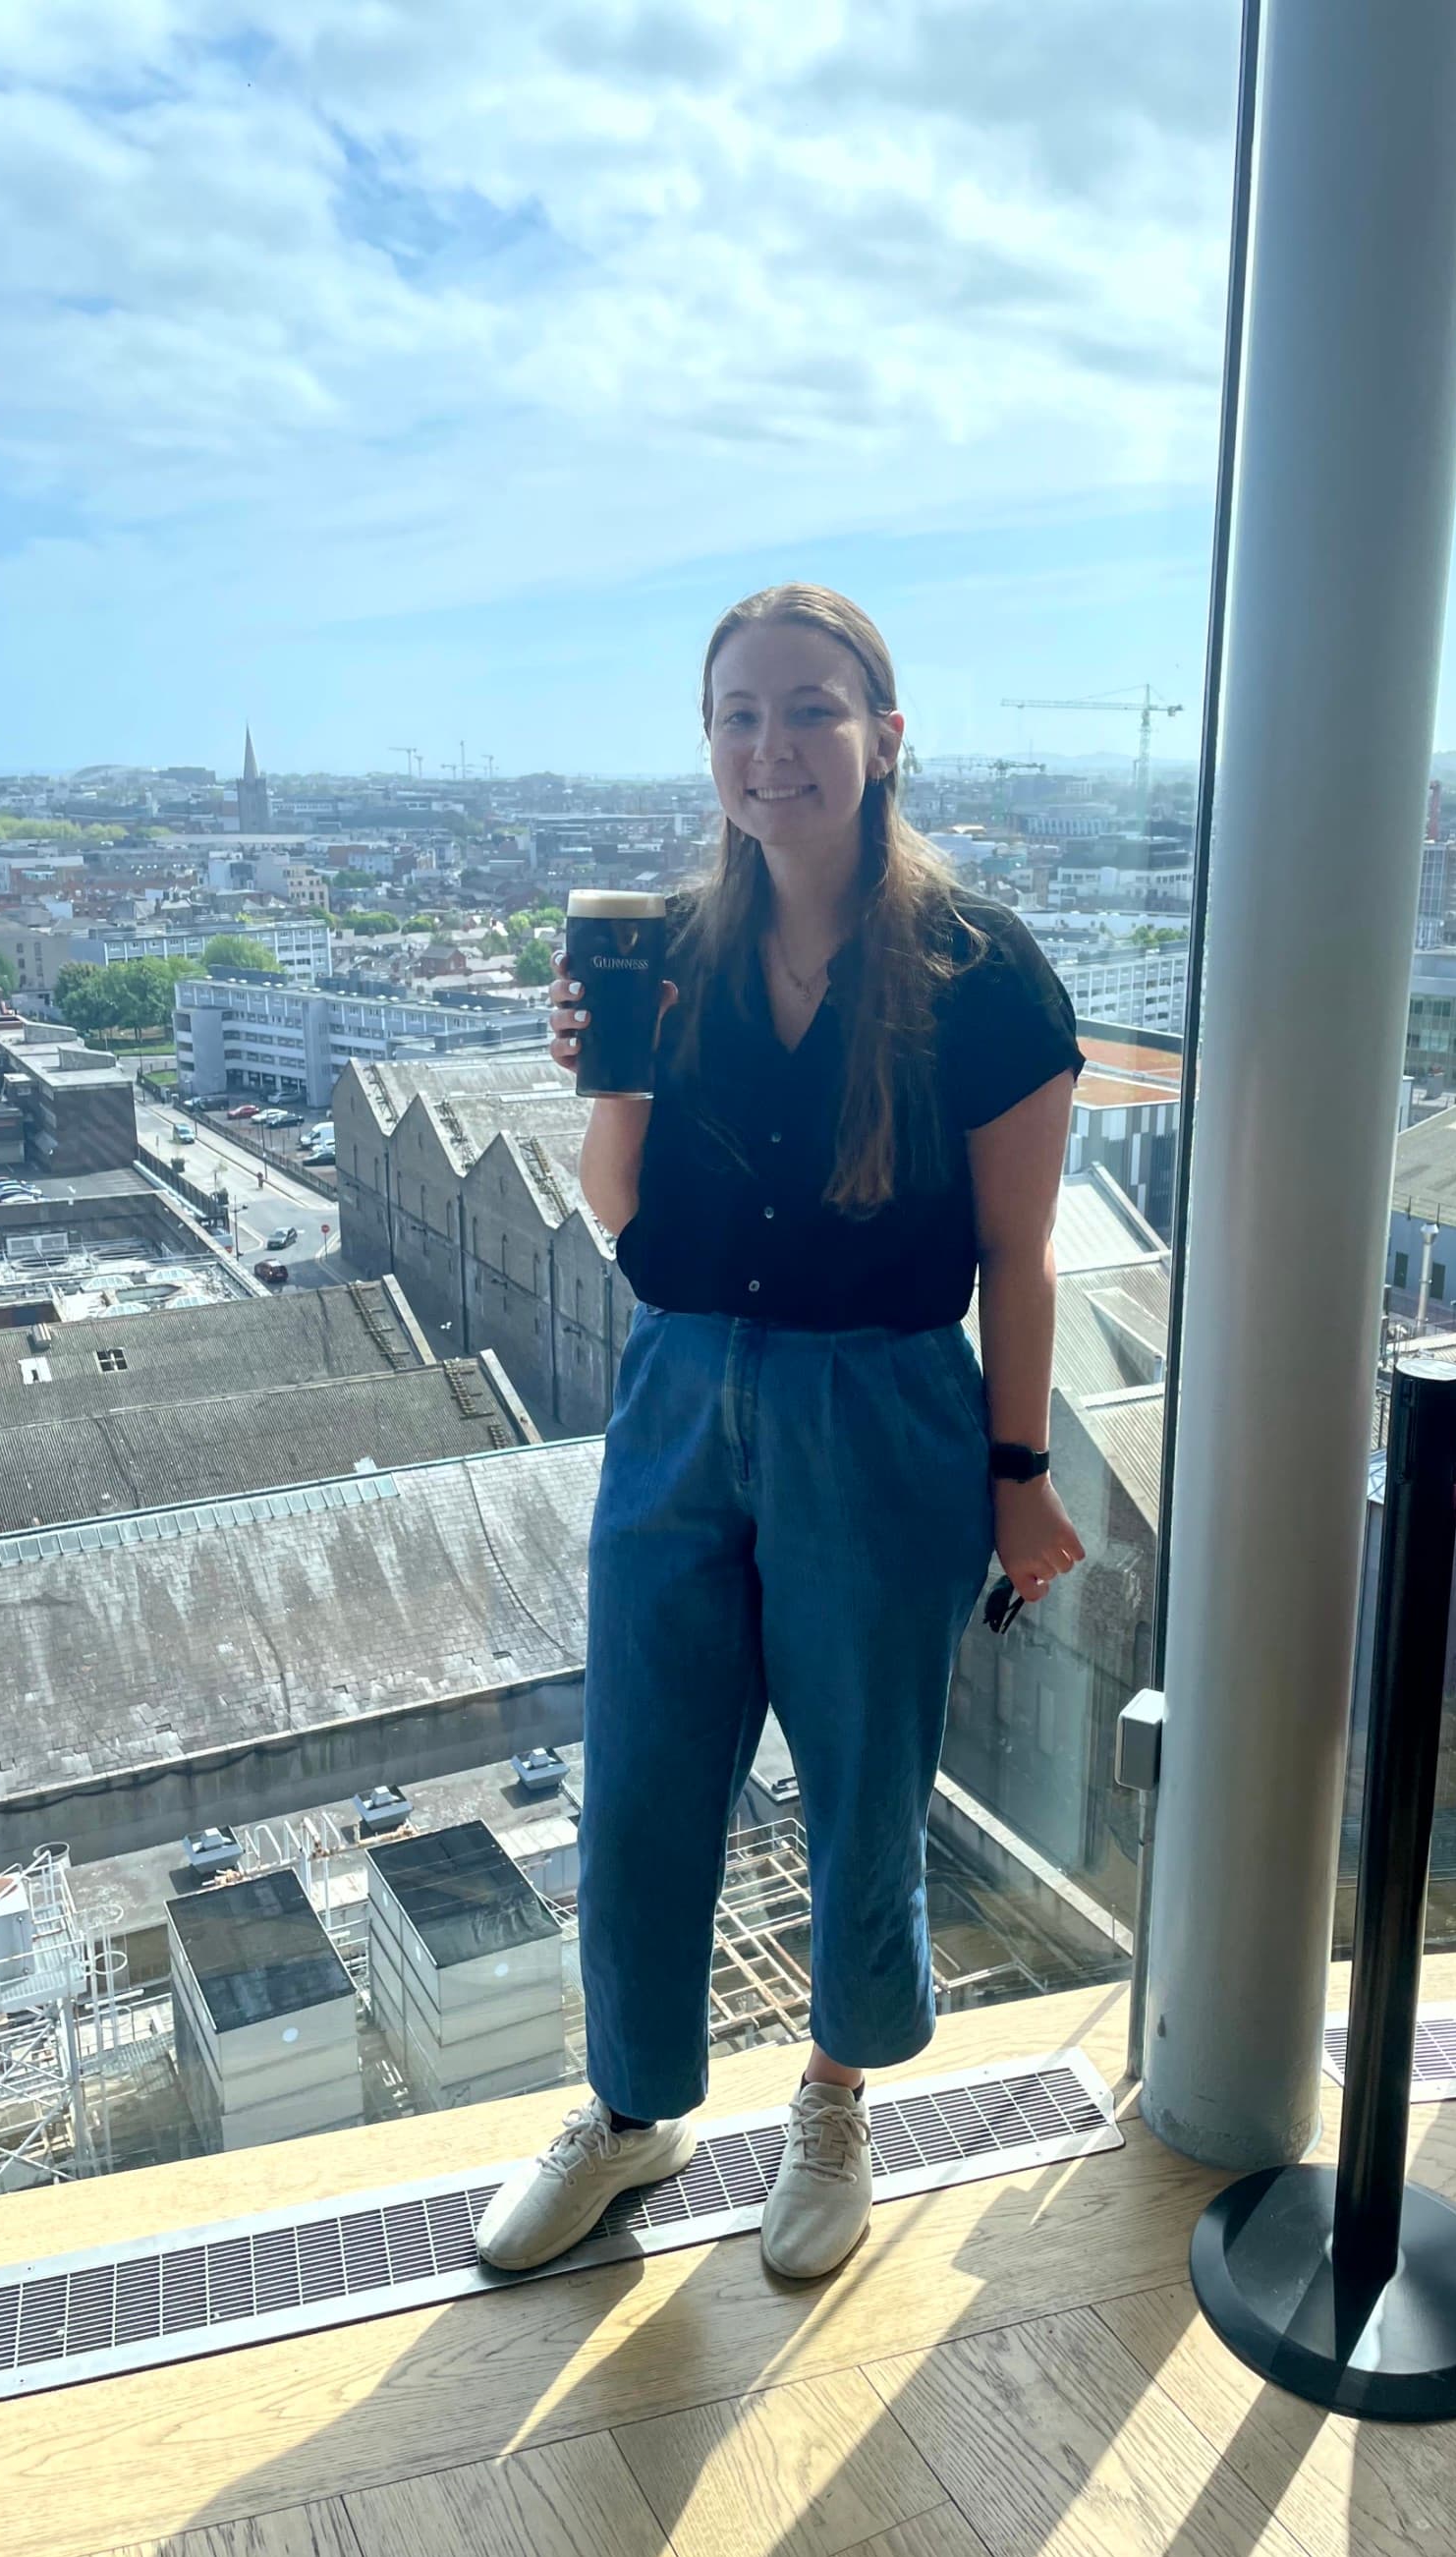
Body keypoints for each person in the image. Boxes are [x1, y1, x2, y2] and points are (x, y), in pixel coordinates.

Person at [476, 583, 1085, 2284]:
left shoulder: (982, 970)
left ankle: (833, 2101)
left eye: (811, 708)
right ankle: (634, 2106)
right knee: (645, 1772)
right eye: (740, 714)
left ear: (887, 736)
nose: (773, 745)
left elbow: (1018, 1259)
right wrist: (611, 1077)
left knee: (860, 1779)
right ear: (710, 747)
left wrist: (1019, 1475)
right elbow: (620, 1211)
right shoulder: (665, 948)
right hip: (677, 1384)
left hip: (877, 1404)